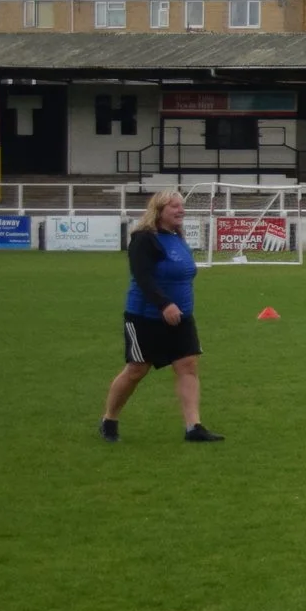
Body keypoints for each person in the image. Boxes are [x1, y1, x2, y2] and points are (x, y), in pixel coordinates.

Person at [102, 188, 221, 443]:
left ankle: (193, 427)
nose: (181, 210)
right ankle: (109, 420)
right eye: (174, 206)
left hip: (181, 317)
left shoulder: (176, 237)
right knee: (136, 370)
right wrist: (164, 304)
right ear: (159, 210)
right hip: (146, 317)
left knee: (188, 366)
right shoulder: (144, 239)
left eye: (181, 206)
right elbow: (142, 277)